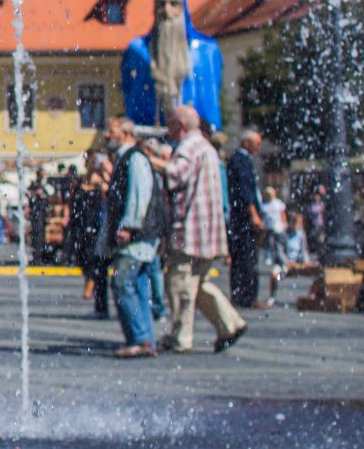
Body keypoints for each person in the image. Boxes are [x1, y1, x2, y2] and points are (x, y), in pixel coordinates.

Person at [146, 103, 247, 354]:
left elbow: (175, 173)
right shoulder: (207, 147)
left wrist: (151, 160)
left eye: (170, 125)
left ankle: (181, 337)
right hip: (208, 230)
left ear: (179, 126)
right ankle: (230, 324)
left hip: (190, 230)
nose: (167, 130)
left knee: (179, 283)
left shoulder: (189, 146)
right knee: (197, 283)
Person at [104, 116, 166, 357]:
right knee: (138, 285)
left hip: (137, 235)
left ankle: (140, 339)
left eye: (112, 131)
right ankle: (145, 339)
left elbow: (140, 194)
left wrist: (129, 225)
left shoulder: (135, 158)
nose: (107, 135)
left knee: (121, 281)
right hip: (140, 234)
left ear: (127, 133)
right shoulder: (126, 158)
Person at [67, 150, 112, 318]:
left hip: (96, 224)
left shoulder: (102, 181)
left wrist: (104, 176)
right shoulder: (81, 180)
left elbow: (109, 194)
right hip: (80, 223)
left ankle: (92, 288)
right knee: (81, 256)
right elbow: (72, 199)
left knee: (95, 260)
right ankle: (89, 281)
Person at [225, 128, 265, 307]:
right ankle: (246, 296)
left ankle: (242, 294)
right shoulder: (239, 161)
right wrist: (254, 214)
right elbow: (244, 190)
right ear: (246, 142)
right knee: (246, 256)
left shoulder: (242, 160)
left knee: (244, 256)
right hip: (243, 218)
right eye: (257, 143)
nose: (259, 147)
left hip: (241, 217)